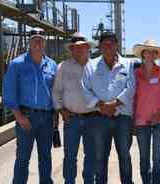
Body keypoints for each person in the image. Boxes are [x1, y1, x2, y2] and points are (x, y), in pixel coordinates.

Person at [3, 27, 57, 184]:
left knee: (45, 157)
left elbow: (55, 91)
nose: (38, 43)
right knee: (23, 157)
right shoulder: (17, 64)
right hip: (26, 116)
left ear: (45, 42)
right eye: (34, 40)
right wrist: (18, 116)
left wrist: (55, 115)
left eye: (40, 40)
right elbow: (8, 91)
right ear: (29, 42)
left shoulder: (52, 65)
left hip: (47, 117)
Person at [81, 31, 135, 184]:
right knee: (100, 157)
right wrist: (101, 105)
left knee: (124, 155)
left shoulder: (128, 64)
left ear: (117, 45)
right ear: (100, 46)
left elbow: (131, 88)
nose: (109, 46)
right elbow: (85, 89)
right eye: (105, 43)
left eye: (112, 43)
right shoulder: (90, 66)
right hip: (99, 119)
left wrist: (114, 104)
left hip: (122, 118)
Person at [52, 32, 96, 184]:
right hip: (72, 119)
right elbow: (56, 91)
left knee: (91, 155)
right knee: (70, 156)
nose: (79, 50)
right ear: (71, 50)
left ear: (87, 48)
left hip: (92, 118)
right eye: (75, 48)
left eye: (82, 47)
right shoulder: (63, 67)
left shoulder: (95, 67)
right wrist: (61, 110)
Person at [133, 40, 160, 184]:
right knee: (144, 157)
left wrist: (158, 115)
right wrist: (133, 120)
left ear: (156, 55)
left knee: (157, 157)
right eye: (147, 51)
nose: (150, 54)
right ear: (142, 54)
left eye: (153, 52)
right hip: (141, 121)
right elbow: (133, 97)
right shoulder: (135, 73)